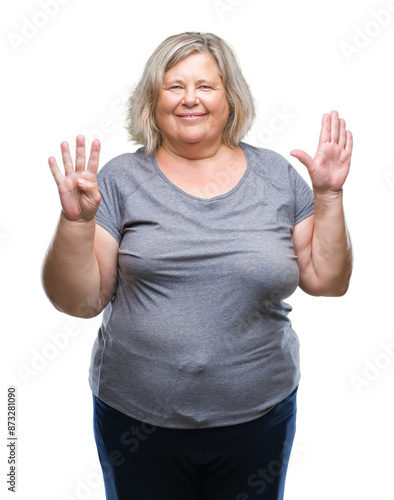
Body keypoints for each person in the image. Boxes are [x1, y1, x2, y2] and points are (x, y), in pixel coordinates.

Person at [42, 32, 353, 500]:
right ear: (153, 99)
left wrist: (329, 195)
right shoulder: (119, 179)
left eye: (206, 86)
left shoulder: (278, 177)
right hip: (136, 418)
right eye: (174, 86)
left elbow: (327, 281)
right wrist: (76, 222)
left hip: (259, 414)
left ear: (231, 98)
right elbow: (79, 300)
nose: (190, 99)